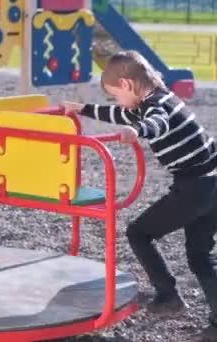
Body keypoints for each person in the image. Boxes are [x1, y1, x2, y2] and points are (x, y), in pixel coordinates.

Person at [62, 50, 217, 340]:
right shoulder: (163, 96)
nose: (117, 102)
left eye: (115, 94)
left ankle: (168, 295)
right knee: (200, 256)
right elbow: (121, 113)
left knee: (138, 233)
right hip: (212, 184)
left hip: (194, 188)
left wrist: (137, 131)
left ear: (127, 85)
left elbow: (156, 122)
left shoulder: (156, 107)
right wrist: (82, 109)